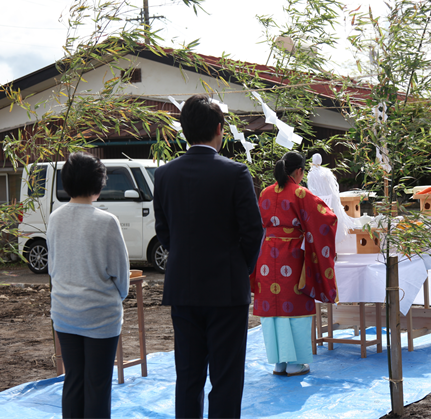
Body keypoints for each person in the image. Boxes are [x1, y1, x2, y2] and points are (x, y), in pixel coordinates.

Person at [153, 94, 264, 419]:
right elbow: (253, 231)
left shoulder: (164, 175)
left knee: (188, 377)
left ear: (185, 131)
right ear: (220, 129)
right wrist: (238, 267)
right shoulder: (235, 173)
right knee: (226, 378)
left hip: (183, 288)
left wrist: (186, 257)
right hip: (226, 290)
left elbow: (164, 231)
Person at [47, 152, 129, 419]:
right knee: (97, 385)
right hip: (100, 316)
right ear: (98, 183)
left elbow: (53, 268)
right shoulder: (106, 221)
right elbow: (121, 276)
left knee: (73, 381)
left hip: (64, 313)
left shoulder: (55, 218)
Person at [252, 151, 338, 377]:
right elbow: (326, 218)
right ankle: (295, 363)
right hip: (291, 254)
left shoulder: (265, 192)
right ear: (299, 171)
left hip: (267, 255)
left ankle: (279, 362)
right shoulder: (300, 193)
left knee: (273, 309)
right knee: (295, 305)